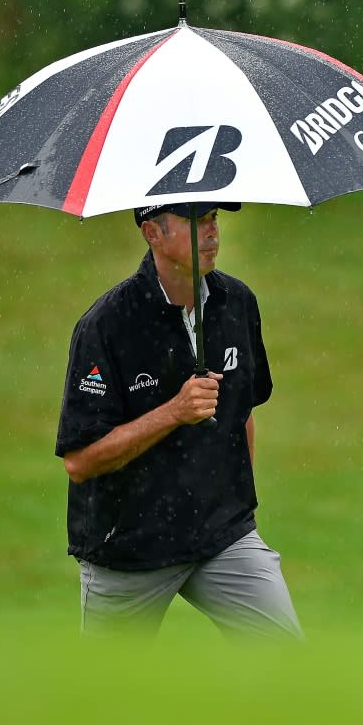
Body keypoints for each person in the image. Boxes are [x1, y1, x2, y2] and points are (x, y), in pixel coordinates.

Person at [55, 201, 302, 640]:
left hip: (222, 537)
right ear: (152, 233)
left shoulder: (236, 302)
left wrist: (237, 507)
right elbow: (80, 461)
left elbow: (242, 411)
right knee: (106, 695)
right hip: (127, 547)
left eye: (214, 218)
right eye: (195, 221)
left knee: (286, 662)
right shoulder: (106, 325)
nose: (211, 232)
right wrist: (174, 412)